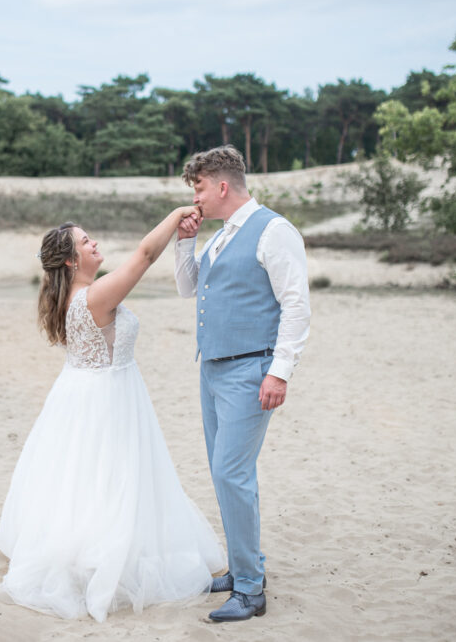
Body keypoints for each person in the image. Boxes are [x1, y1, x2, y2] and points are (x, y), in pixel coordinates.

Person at [0, 207, 226, 623]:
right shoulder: (93, 296)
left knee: (86, 478)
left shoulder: (72, 297)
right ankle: (100, 557)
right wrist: (177, 215)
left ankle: (84, 549)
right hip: (107, 397)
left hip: (80, 393)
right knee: (112, 477)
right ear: (71, 261)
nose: (94, 243)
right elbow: (145, 256)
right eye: (86, 242)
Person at [174, 145, 311, 623]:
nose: (195, 198)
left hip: (250, 370)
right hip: (211, 369)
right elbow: (189, 288)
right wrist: (184, 242)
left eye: (198, 189)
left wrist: (279, 371)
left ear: (221, 185)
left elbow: (296, 304)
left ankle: (250, 590)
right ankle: (241, 568)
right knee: (223, 473)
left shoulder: (274, 230)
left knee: (233, 474)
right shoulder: (219, 237)